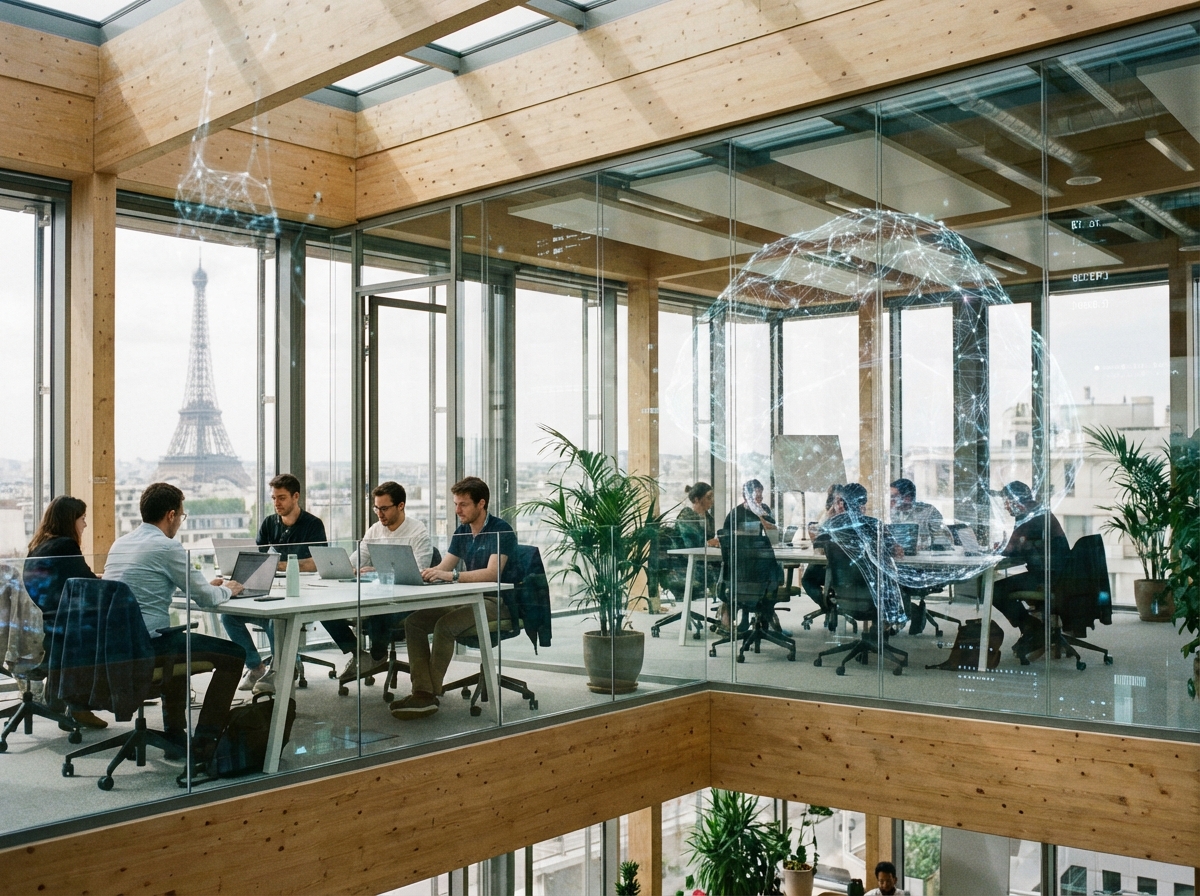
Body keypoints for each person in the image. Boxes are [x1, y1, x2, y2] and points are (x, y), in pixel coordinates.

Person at [102, 483, 246, 773]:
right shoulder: (166, 546)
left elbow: (150, 587)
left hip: (113, 648)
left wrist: (204, 586)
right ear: (170, 515)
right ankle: (205, 744)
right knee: (234, 654)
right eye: (182, 515)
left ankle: (175, 734)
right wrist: (228, 588)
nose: (181, 522)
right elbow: (206, 600)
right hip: (148, 648)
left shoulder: (121, 543)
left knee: (177, 640)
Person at [390, 477, 516, 720]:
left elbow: (492, 574)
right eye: (456, 504)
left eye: (463, 505)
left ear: (481, 504)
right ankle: (423, 692)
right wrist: (427, 574)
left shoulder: (501, 530)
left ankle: (427, 694)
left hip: (497, 602)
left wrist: (451, 575)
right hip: (470, 598)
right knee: (414, 622)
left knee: (444, 626)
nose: (457, 510)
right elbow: (445, 566)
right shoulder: (462, 531)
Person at [221, 473, 327, 696]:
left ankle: (279, 668)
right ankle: (256, 667)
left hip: (301, 593)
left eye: (281, 498)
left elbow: (317, 563)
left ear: (295, 496)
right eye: (273, 498)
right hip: (270, 588)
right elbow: (257, 558)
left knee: (274, 621)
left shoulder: (313, 524)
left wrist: (278, 564)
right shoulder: (269, 523)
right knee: (229, 617)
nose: (276, 503)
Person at [331, 481, 434, 687]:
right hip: (376, 594)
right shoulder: (375, 530)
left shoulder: (417, 532)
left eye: (384, 508)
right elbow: (357, 558)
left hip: (406, 600)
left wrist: (378, 572)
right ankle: (357, 652)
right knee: (327, 609)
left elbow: (419, 571)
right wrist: (348, 568)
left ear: (401, 506)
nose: (379, 513)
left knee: (378, 609)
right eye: (376, 508)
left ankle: (377, 655)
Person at [23, 495, 104, 729]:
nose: (85, 524)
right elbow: (87, 582)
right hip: (60, 627)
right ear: (70, 520)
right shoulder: (65, 545)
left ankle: (61, 701)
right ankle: (79, 705)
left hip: (44, 625)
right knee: (107, 627)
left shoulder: (37, 546)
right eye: (82, 518)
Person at [989, 480, 1070, 658]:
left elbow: (1012, 548)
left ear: (1015, 501)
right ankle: (1033, 628)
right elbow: (1020, 544)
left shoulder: (1029, 515)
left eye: (1006, 502)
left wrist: (992, 551)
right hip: (1058, 575)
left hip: (1048, 578)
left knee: (996, 590)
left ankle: (1033, 628)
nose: (1005, 507)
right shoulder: (1038, 511)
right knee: (1003, 587)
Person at [814, 483, 908, 629]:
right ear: (863, 504)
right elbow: (898, 553)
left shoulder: (830, 526)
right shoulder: (875, 525)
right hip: (875, 596)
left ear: (843, 503)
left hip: (842, 594)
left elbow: (819, 549)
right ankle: (880, 630)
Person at [801, 484, 842, 614]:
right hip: (831, 566)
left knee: (807, 580)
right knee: (808, 578)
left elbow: (819, 537)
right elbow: (816, 537)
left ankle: (827, 606)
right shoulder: (825, 516)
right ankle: (828, 605)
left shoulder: (842, 519)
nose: (839, 505)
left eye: (841, 501)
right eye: (836, 501)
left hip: (840, 569)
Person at [889, 477, 946, 547]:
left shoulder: (928, 511)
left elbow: (942, 541)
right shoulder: (889, 513)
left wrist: (924, 545)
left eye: (894, 496)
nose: (890, 500)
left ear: (907, 498)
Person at [676, 482, 719, 549]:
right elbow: (690, 542)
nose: (712, 501)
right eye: (709, 497)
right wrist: (708, 543)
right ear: (697, 499)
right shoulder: (686, 516)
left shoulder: (709, 518)